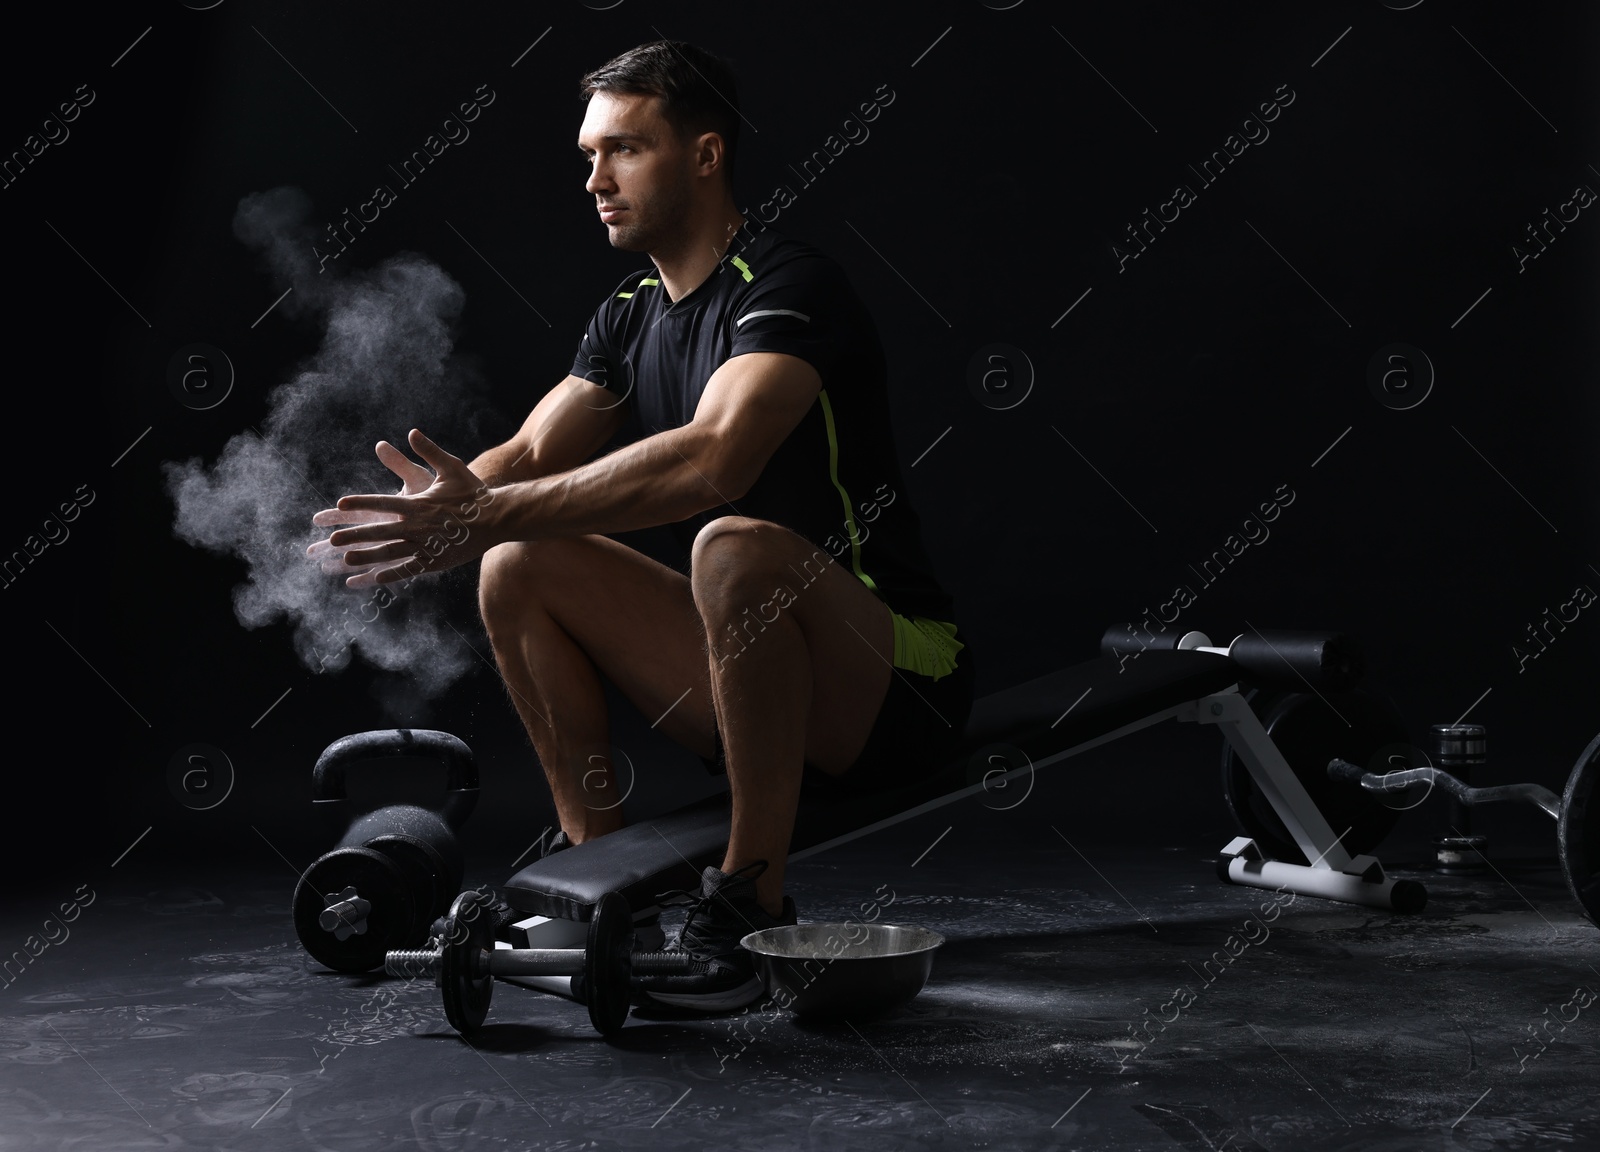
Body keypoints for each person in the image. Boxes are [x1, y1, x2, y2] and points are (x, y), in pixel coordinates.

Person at [310, 39, 974, 1012]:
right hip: (749, 673)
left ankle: (749, 905)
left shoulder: (786, 286)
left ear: (704, 155)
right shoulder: (626, 313)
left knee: (732, 542)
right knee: (518, 563)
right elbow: (530, 457)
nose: (594, 180)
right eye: (588, 155)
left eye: (623, 149)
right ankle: (598, 876)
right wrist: (436, 514)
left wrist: (486, 512)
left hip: (895, 684)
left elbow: (716, 457)